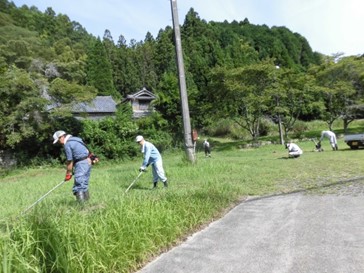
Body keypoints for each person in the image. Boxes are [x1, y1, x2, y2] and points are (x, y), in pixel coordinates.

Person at [53, 130, 92, 202]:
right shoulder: (77, 139)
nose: (59, 143)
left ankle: (82, 206)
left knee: (78, 185)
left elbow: (70, 161)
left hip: (81, 164)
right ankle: (87, 204)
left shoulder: (67, 144)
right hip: (88, 162)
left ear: (61, 137)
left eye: (58, 141)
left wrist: (69, 173)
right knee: (84, 183)